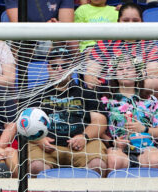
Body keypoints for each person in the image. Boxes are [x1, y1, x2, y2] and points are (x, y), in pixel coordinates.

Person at [25, 47, 107, 176]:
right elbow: (26, 122)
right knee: (36, 167)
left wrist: (84, 137)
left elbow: (100, 120)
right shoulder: (37, 93)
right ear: (48, 67)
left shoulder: (85, 92)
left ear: (72, 68)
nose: (59, 69)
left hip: (82, 145)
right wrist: (38, 140)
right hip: (46, 147)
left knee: (97, 165)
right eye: (54, 66)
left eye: (64, 66)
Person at [101, 56, 158, 171]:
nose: (125, 72)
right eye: (120, 69)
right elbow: (99, 130)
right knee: (113, 160)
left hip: (147, 146)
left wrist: (144, 129)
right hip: (118, 148)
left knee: (155, 159)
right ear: (115, 74)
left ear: (137, 73)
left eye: (129, 68)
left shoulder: (150, 100)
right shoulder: (106, 100)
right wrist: (113, 142)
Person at [5, 0, 73, 22]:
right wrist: (45, 29)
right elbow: (18, 29)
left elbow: (67, 27)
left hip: (55, 41)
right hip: (25, 45)